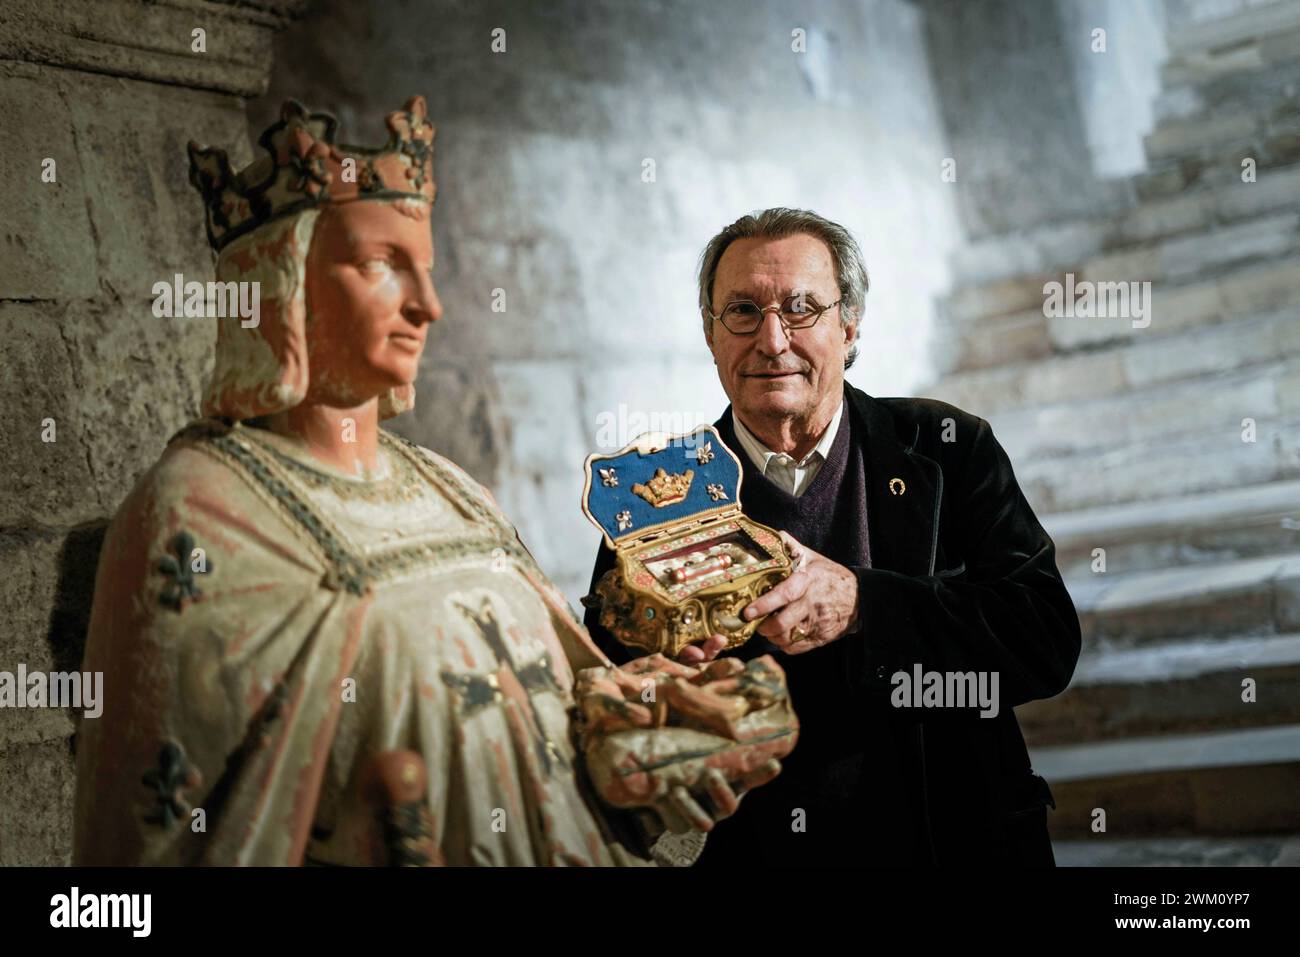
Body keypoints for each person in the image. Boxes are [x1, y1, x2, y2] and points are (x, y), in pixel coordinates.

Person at [72, 97, 794, 867]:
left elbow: (555, 695)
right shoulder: (199, 507)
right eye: (381, 266)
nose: (428, 304)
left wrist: (644, 709)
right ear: (280, 285)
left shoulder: (449, 487)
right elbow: (148, 827)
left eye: (427, 268)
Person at [584, 207, 1081, 866]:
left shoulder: (946, 448)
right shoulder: (656, 492)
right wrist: (664, 692)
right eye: (741, 311)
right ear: (710, 334)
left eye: (800, 308)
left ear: (848, 326)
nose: (772, 338)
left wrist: (863, 604)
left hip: (953, 842)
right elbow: (607, 684)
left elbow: (1043, 640)